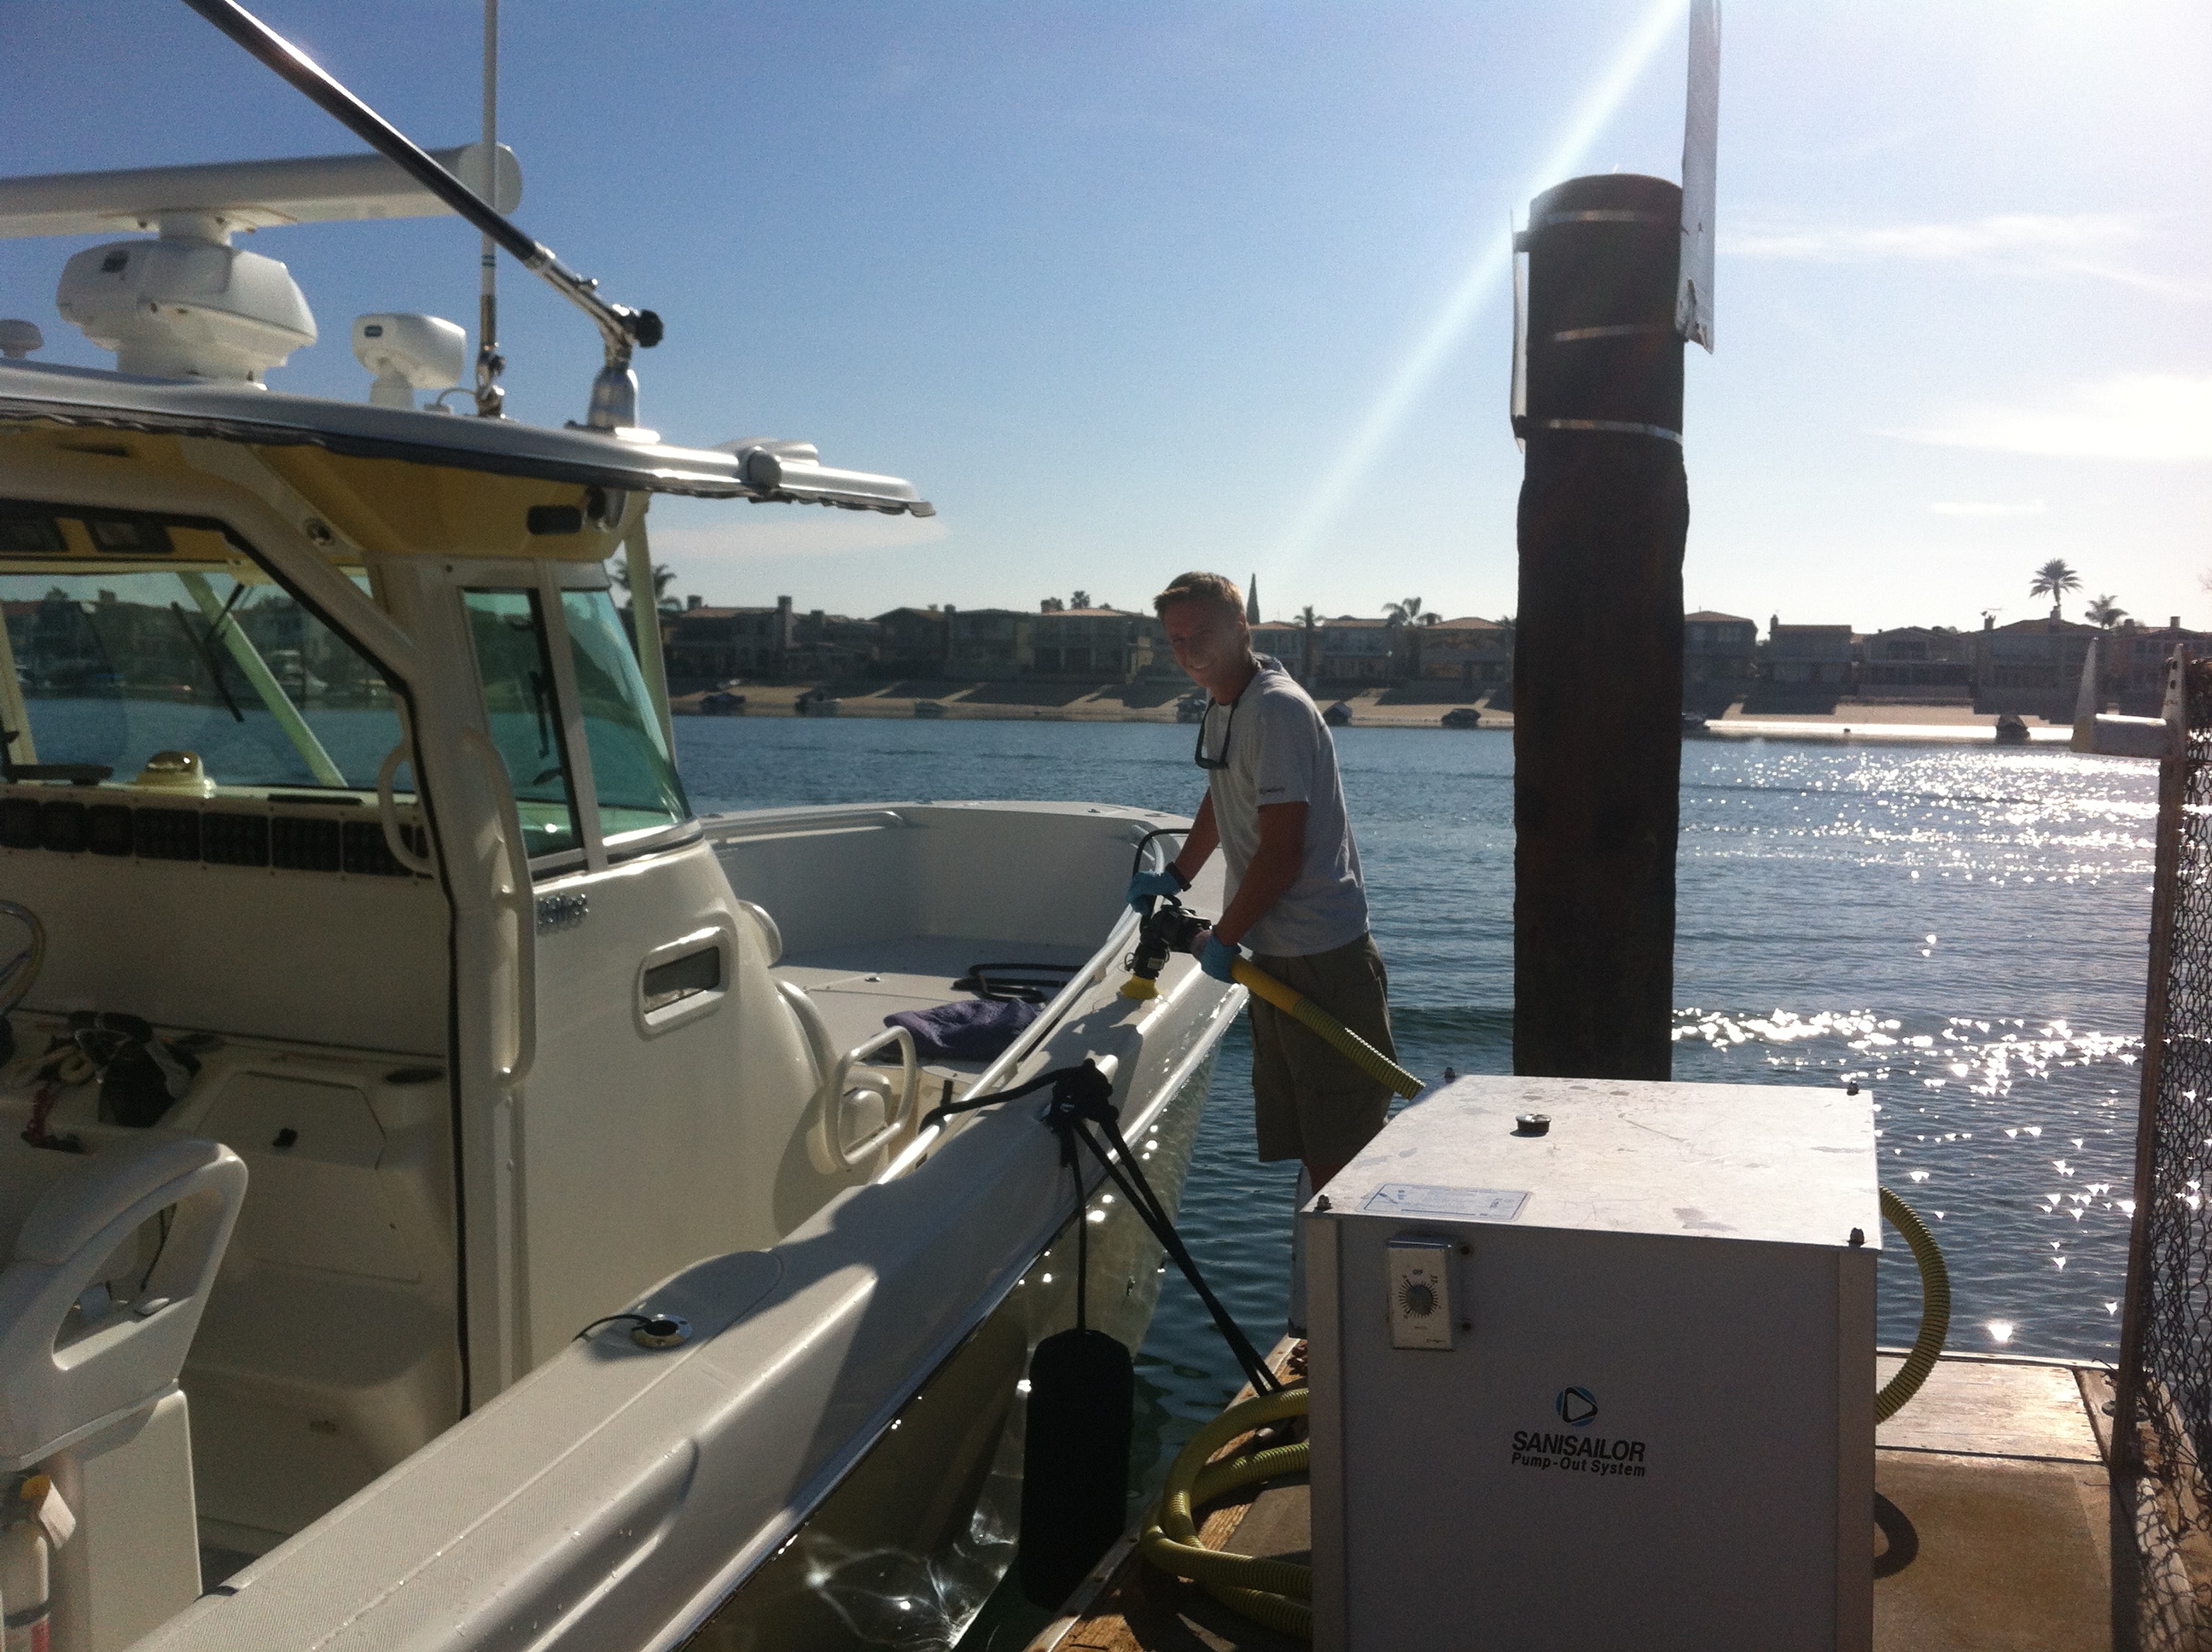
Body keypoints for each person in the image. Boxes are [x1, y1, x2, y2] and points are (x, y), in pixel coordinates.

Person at [1127, 571, 1395, 1335]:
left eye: (1202, 635)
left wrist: (1223, 936)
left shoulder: (1275, 709)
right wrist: (1179, 873)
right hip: (1275, 957)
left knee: (1342, 1143)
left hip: (1319, 955)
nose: (1189, 652)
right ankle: (1324, 1307)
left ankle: (1358, 1321)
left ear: (1242, 627)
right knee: (1312, 1139)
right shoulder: (1227, 705)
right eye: (1176, 640)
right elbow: (1223, 798)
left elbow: (1280, 853)